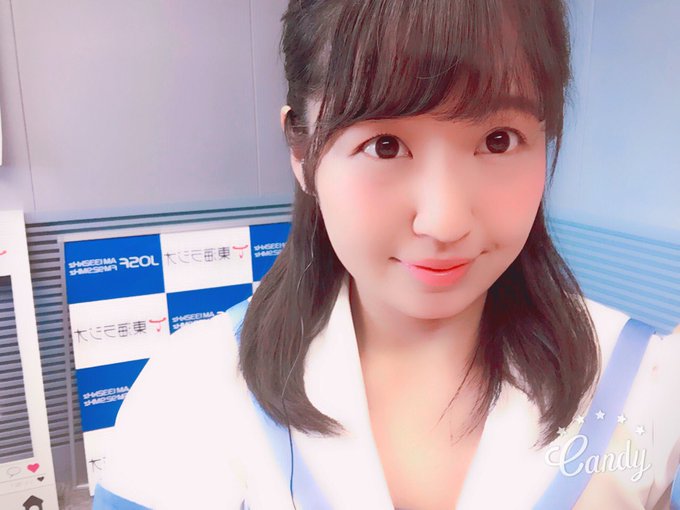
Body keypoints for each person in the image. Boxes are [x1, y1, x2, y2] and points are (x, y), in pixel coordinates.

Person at [92, 0, 680, 508]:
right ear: (301, 150)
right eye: (385, 145)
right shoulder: (189, 397)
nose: (444, 221)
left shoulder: (649, 387)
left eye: (498, 140)